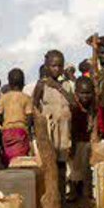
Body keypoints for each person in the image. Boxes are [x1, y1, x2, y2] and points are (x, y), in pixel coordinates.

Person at [33, 49, 73, 199]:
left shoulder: (66, 85)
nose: (56, 69)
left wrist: (58, 87)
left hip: (64, 132)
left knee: (62, 166)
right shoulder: (41, 85)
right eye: (53, 65)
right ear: (46, 66)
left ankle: (61, 197)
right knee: (50, 166)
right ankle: (51, 197)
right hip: (50, 132)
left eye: (59, 66)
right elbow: (34, 106)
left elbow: (73, 102)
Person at [67, 76, 97, 200]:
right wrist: (72, 145)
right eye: (82, 93)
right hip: (76, 142)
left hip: (87, 142)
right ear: (76, 93)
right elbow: (71, 129)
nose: (85, 96)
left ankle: (86, 194)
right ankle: (74, 193)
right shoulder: (73, 108)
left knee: (86, 171)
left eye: (88, 93)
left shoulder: (93, 107)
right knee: (75, 170)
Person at [0, 68, 34, 165]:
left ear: (9, 83)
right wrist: (28, 129)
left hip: (7, 132)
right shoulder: (26, 98)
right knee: (20, 158)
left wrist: (4, 123)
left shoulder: (4, 98)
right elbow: (29, 117)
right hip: (20, 131)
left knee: (8, 156)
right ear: (23, 83)